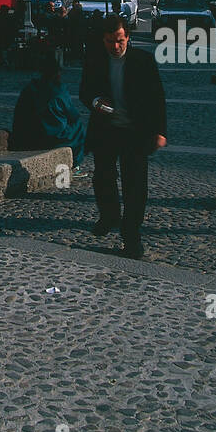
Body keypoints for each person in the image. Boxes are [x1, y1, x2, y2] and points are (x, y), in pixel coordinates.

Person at [80, 14, 167, 259]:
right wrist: (98, 103)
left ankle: (131, 237)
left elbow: (157, 98)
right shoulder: (95, 60)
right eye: (109, 42)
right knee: (102, 178)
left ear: (128, 37)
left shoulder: (143, 61)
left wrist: (160, 132)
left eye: (119, 41)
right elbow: (85, 92)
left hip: (136, 133)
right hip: (106, 130)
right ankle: (109, 215)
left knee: (135, 187)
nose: (115, 47)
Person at [11, 46, 86, 163]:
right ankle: (75, 162)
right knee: (78, 130)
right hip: (48, 136)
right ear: (58, 73)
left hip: (27, 136)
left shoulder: (30, 88)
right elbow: (73, 114)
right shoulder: (58, 91)